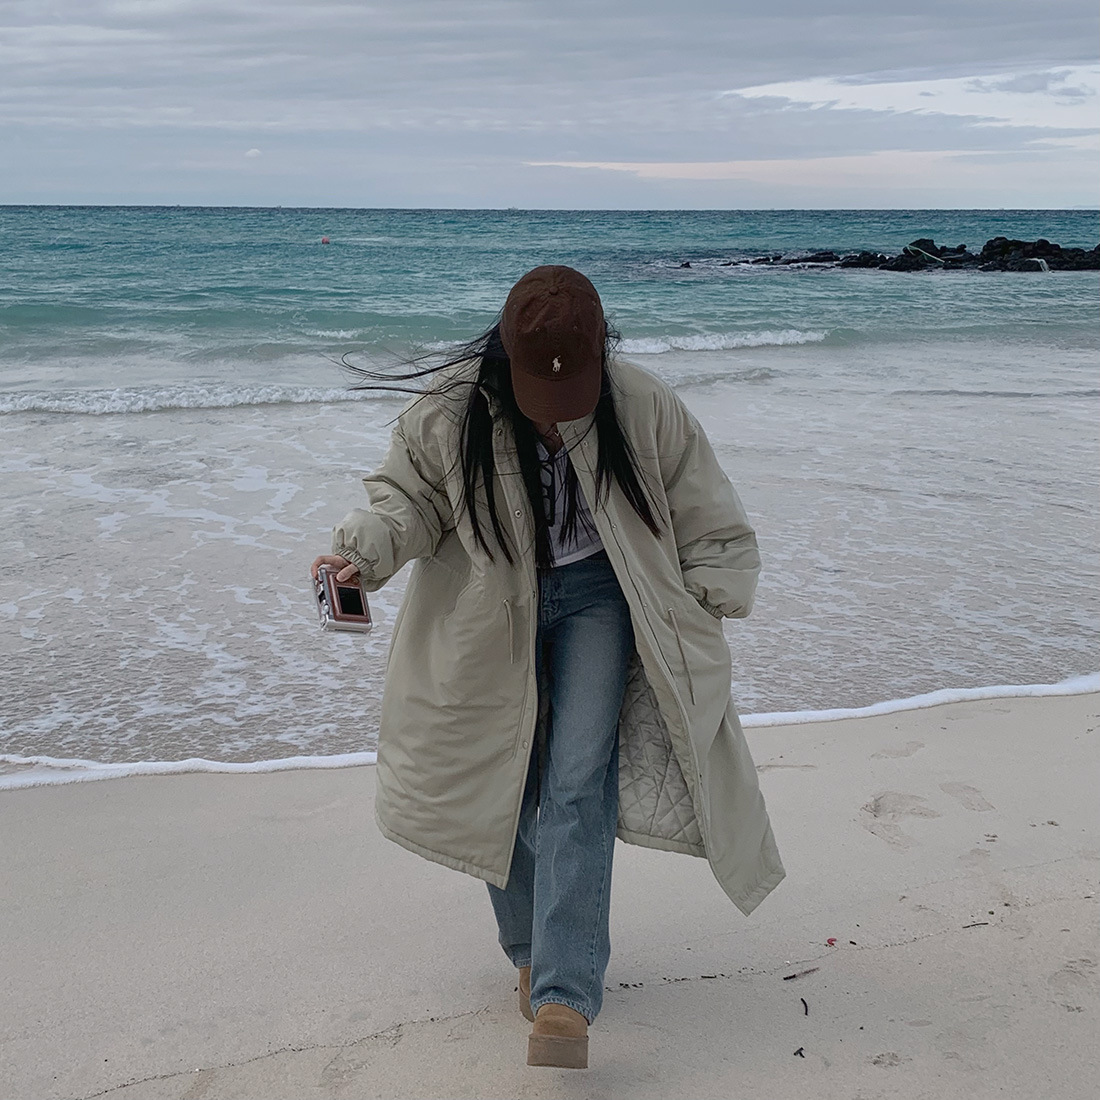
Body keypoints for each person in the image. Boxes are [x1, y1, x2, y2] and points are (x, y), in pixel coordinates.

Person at [311, 265, 784, 1070]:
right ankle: (530, 948)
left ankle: (565, 994)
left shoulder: (641, 402)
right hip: (493, 599)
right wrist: (362, 555)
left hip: (603, 597)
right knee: (504, 778)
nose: (557, 414)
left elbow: (704, 506)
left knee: (577, 781)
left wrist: (706, 598)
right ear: (506, 354)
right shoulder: (452, 408)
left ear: (599, 355)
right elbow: (409, 500)